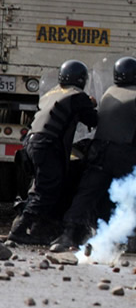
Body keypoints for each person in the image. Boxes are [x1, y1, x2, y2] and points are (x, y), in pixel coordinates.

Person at [50, 57, 136, 252]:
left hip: (98, 152)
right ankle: (134, 240)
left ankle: (68, 235)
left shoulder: (108, 93)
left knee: (87, 195)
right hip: (125, 154)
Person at [8, 60, 98, 245]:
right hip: (47, 144)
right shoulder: (77, 95)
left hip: (31, 143)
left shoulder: (52, 93)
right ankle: (18, 230)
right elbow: (92, 119)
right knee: (46, 190)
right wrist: (92, 105)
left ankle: (39, 227)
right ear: (81, 79)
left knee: (43, 186)